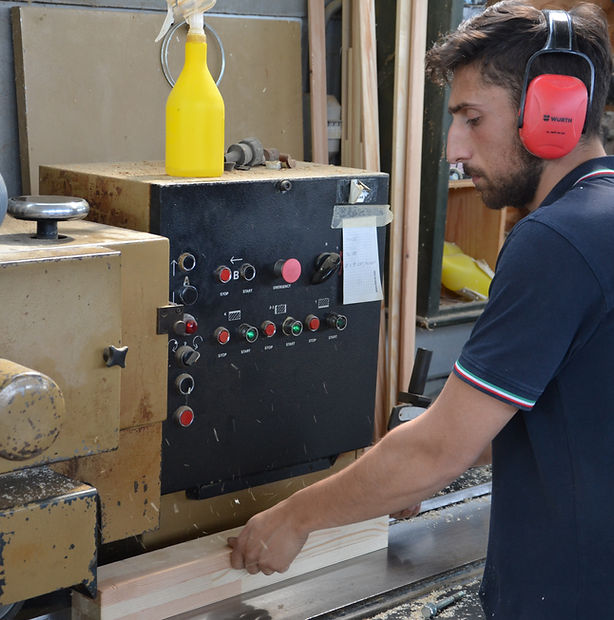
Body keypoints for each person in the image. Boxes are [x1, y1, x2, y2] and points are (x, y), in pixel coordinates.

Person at [228, 2, 614, 617]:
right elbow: (567, 412)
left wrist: (295, 518)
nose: (453, 148)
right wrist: (406, 470)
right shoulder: (600, 221)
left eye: (472, 118)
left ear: (554, 112)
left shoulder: (555, 242)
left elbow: (437, 450)